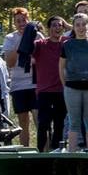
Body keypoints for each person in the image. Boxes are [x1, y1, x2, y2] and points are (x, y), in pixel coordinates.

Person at [60, 12, 88, 151]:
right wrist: (65, 85)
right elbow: (61, 67)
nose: (81, 27)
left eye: (83, 24)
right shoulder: (67, 44)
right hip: (72, 87)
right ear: (73, 27)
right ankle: (72, 153)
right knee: (74, 122)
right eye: (77, 25)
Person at [2, 7, 37, 149]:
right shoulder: (10, 39)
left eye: (24, 20)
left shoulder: (37, 35)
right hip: (18, 86)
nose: (22, 23)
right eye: (18, 21)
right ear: (14, 23)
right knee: (23, 123)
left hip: (35, 84)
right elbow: (9, 62)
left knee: (39, 119)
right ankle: (26, 151)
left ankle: (45, 151)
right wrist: (21, 43)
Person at [33, 16, 67, 151]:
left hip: (61, 90)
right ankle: (41, 151)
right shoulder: (40, 44)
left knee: (59, 124)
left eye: (60, 25)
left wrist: (67, 24)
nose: (57, 28)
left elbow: (83, 35)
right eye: (54, 25)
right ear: (48, 28)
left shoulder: (67, 43)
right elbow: (27, 50)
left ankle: (57, 151)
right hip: (44, 91)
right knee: (43, 124)